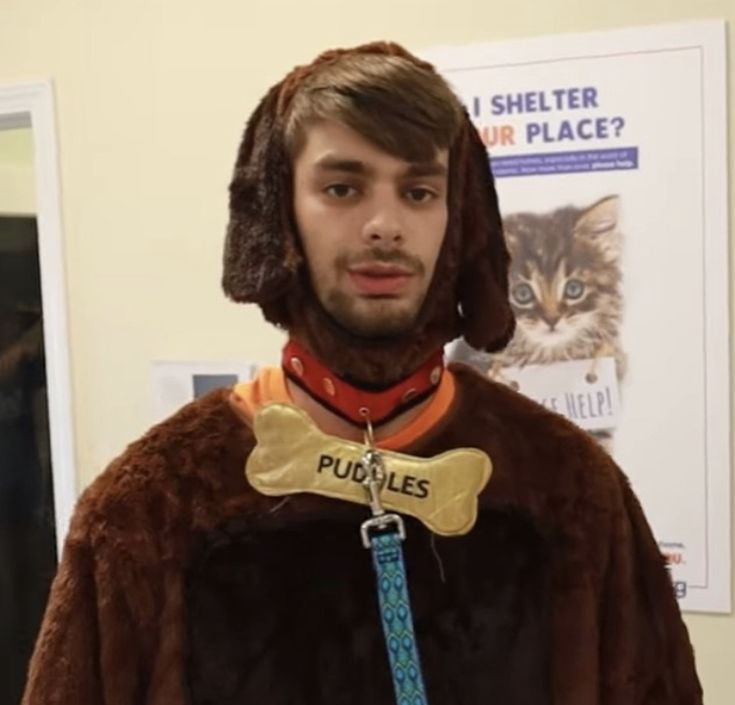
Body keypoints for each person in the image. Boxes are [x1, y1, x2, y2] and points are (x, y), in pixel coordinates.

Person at [23, 42, 701, 705]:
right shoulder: (155, 506)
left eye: (417, 190)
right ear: (279, 211)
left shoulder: (565, 482)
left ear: (454, 216)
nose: (384, 224)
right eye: (342, 187)